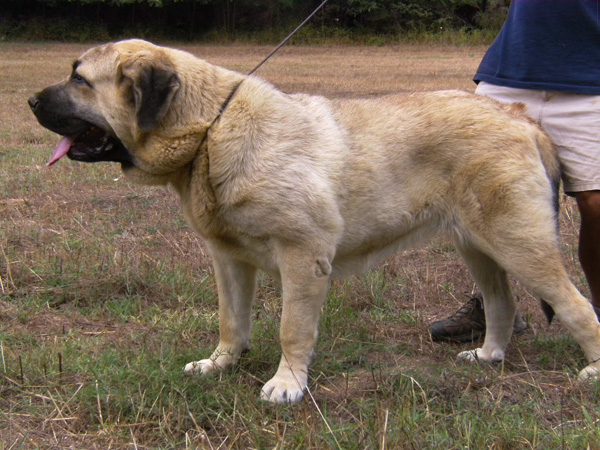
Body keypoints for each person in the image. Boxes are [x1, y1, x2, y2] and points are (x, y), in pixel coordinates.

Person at [430, 0, 600, 342]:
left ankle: (596, 314)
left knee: (595, 203)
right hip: (512, 72)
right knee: (474, 199)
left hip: (591, 79)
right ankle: (494, 308)